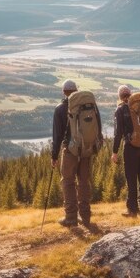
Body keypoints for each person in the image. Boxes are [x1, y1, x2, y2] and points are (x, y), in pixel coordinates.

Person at [51, 79, 102, 227]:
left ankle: (71, 217)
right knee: (84, 181)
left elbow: (57, 135)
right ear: (76, 90)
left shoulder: (61, 109)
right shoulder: (89, 106)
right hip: (86, 149)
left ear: (64, 92)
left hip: (70, 151)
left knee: (68, 181)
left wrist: (54, 156)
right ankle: (85, 216)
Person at [111, 85, 140, 218]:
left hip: (131, 148)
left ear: (120, 96)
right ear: (130, 94)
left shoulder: (121, 109)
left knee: (131, 178)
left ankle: (132, 209)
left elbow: (118, 134)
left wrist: (115, 151)